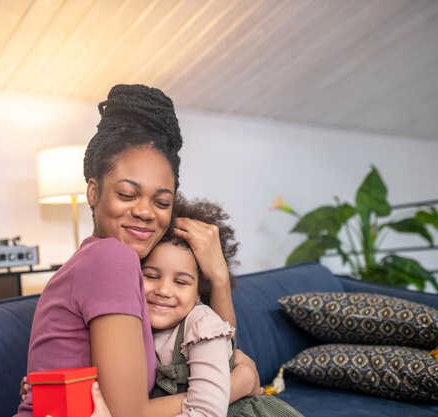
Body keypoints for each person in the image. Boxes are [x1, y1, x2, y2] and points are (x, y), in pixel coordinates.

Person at [15, 84, 259, 417]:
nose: (146, 211)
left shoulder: (133, 270)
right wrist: (237, 385)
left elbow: (214, 353)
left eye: (161, 202)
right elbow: (128, 413)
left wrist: (217, 277)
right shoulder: (111, 259)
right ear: (92, 191)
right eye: (128, 195)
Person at [145, 195, 304, 417]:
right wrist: (238, 383)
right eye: (151, 276)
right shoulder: (131, 322)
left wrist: (219, 277)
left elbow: (207, 411)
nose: (163, 290)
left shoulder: (202, 325)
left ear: (200, 290)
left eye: (180, 282)